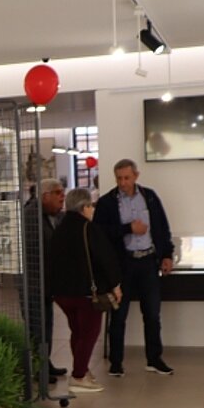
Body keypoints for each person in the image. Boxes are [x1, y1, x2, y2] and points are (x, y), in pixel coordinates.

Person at [92, 159, 175, 376]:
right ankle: (116, 363)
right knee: (119, 315)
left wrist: (167, 254)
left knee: (152, 314)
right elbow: (99, 233)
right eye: (119, 178)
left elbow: (162, 228)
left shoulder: (149, 197)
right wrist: (128, 228)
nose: (123, 183)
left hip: (148, 262)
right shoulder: (107, 202)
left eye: (127, 178)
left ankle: (154, 359)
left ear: (136, 176)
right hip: (123, 264)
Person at [46, 188, 122, 392]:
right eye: (90, 206)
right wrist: (115, 284)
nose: (92, 210)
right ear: (84, 207)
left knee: (77, 332)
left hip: (62, 294)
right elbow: (105, 259)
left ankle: (82, 369)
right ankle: (78, 377)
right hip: (86, 293)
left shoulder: (59, 229)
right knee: (89, 333)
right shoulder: (89, 229)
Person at [23, 178, 67, 378]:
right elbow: (35, 250)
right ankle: (39, 369)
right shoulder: (31, 216)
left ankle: (45, 364)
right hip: (33, 284)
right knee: (37, 328)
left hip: (47, 283)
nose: (62, 196)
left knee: (47, 325)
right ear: (45, 196)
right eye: (58, 193)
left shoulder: (52, 216)